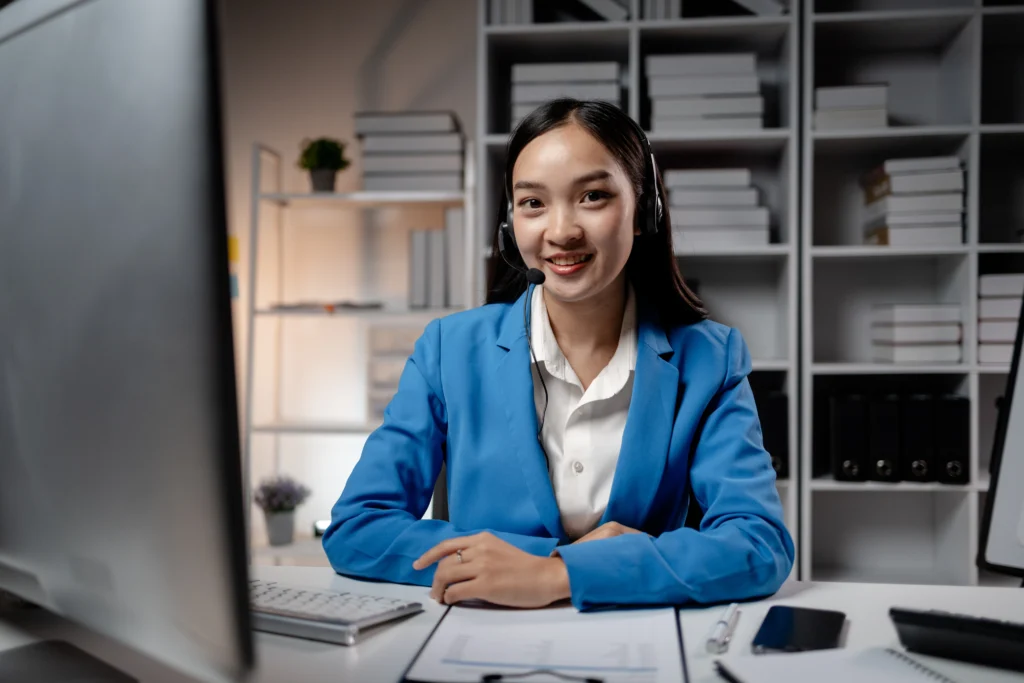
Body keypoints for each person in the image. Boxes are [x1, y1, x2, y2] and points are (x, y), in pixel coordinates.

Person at [323, 98, 795, 611]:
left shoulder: (711, 359)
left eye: (593, 196)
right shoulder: (448, 350)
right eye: (533, 203)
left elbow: (758, 545)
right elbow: (358, 526)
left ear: (644, 212)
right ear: (510, 224)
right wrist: (547, 563)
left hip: (638, 642)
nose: (562, 231)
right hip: (480, 637)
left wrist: (556, 577)